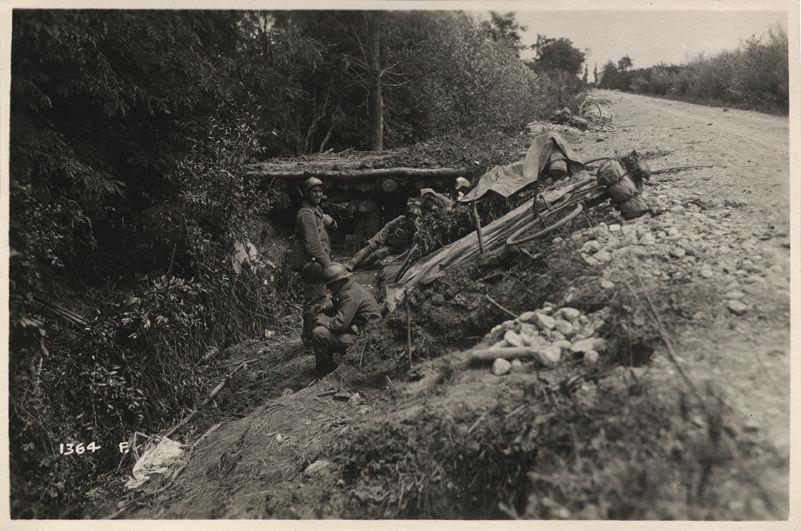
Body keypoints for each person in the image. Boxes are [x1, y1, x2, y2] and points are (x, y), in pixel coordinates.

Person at [311, 263, 381, 375]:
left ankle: (325, 370)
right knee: (322, 328)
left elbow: (338, 325)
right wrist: (323, 307)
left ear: (337, 282)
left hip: (365, 341)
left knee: (319, 333)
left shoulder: (350, 295)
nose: (329, 288)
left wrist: (322, 320)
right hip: (362, 332)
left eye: (330, 285)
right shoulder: (350, 287)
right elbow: (338, 302)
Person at [291, 177, 337, 344]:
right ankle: (311, 337)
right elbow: (313, 245)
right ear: (306, 193)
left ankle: (312, 334)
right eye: (314, 191)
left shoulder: (315, 211)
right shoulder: (306, 214)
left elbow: (330, 226)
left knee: (319, 297)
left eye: (320, 191)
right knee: (315, 299)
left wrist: (331, 222)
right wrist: (329, 265)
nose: (318, 194)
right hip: (312, 263)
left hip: (317, 262)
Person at [349, 199, 422, 271]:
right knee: (370, 247)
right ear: (407, 214)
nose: (411, 218)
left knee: (376, 254)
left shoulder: (415, 227)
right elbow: (388, 226)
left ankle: (359, 266)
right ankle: (352, 263)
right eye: (410, 215)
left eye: (414, 217)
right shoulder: (401, 219)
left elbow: (415, 240)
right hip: (386, 238)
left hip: (394, 247)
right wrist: (381, 239)